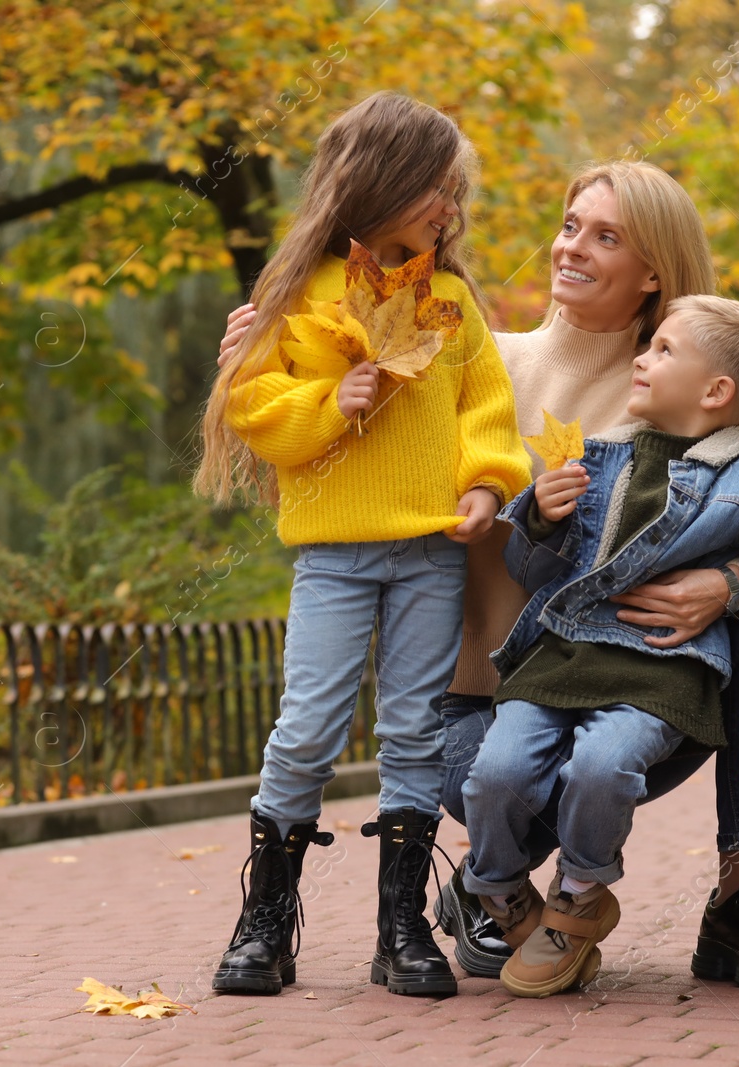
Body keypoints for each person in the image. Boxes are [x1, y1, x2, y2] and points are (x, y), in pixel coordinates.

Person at [220, 161, 739, 992]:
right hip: (485, 694)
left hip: (628, 686)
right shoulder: (468, 350)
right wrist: (261, 372)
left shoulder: (679, 382)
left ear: (654, 270)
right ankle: (487, 884)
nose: (571, 246)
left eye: (605, 235)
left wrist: (732, 585)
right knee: (499, 770)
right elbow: (343, 450)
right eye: (571, 224)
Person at [194, 91, 529, 998]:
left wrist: (483, 483)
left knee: (414, 731)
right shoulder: (297, 296)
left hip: (428, 550)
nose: (448, 210)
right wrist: (323, 404)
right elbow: (254, 406)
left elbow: (483, 412)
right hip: (334, 555)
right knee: (304, 730)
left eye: (454, 196)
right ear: (379, 181)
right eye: (436, 189)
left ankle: (401, 928)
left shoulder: (449, 299)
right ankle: (265, 920)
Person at [462, 295, 739, 997]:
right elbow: (537, 576)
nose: (642, 357)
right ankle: (500, 888)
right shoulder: (599, 461)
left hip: (662, 673)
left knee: (604, 768)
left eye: (664, 350)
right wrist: (540, 517)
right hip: (562, 657)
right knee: (495, 773)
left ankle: (576, 891)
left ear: (715, 391)